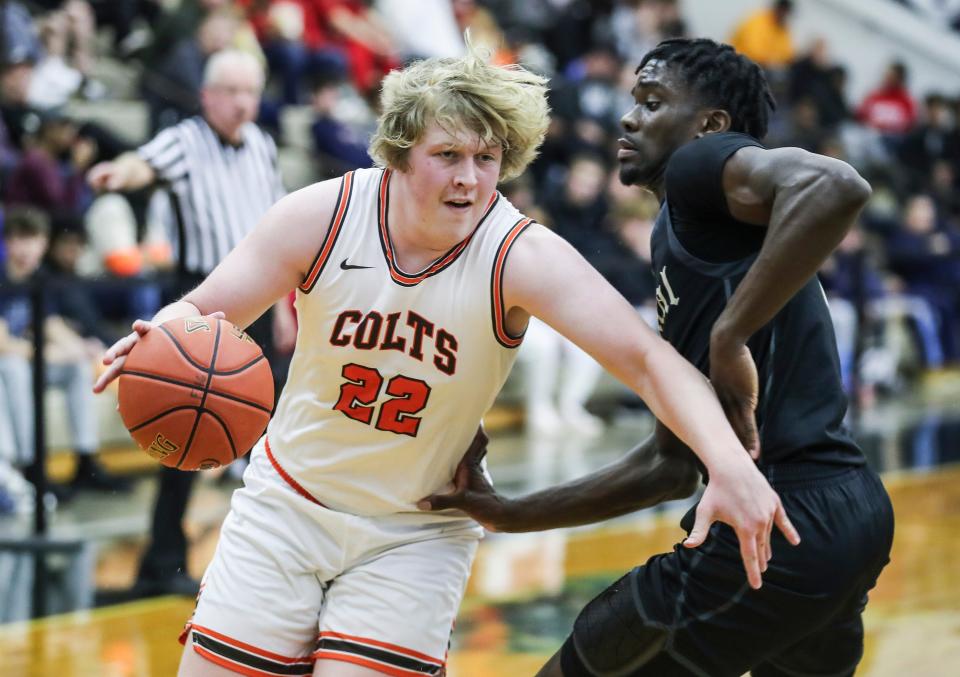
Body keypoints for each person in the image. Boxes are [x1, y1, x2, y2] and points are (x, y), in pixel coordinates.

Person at [93, 44, 795, 677]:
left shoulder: (517, 253)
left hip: (413, 530)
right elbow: (208, 308)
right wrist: (160, 333)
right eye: (448, 155)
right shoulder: (322, 215)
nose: (469, 178)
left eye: (486, 159)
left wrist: (731, 465)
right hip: (287, 506)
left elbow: (647, 360)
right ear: (398, 152)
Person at [421, 38, 895, 677]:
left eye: (651, 101)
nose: (629, 118)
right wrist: (510, 514)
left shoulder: (702, 169)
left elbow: (839, 184)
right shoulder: (689, 227)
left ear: (710, 127)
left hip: (782, 515)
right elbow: (668, 466)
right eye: (632, 101)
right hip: (846, 514)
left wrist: (729, 338)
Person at [87, 49, 290, 598]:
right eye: (232, 90)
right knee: (187, 427)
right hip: (201, 305)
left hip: (263, 299)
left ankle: (264, 559)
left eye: (251, 90)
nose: (243, 102)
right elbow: (144, 163)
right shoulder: (185, 139)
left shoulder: (263, 146)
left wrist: (287, 304)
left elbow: (281, 228)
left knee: (268, 435)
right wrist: (118, 173)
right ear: (207, 95)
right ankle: (163, 559)